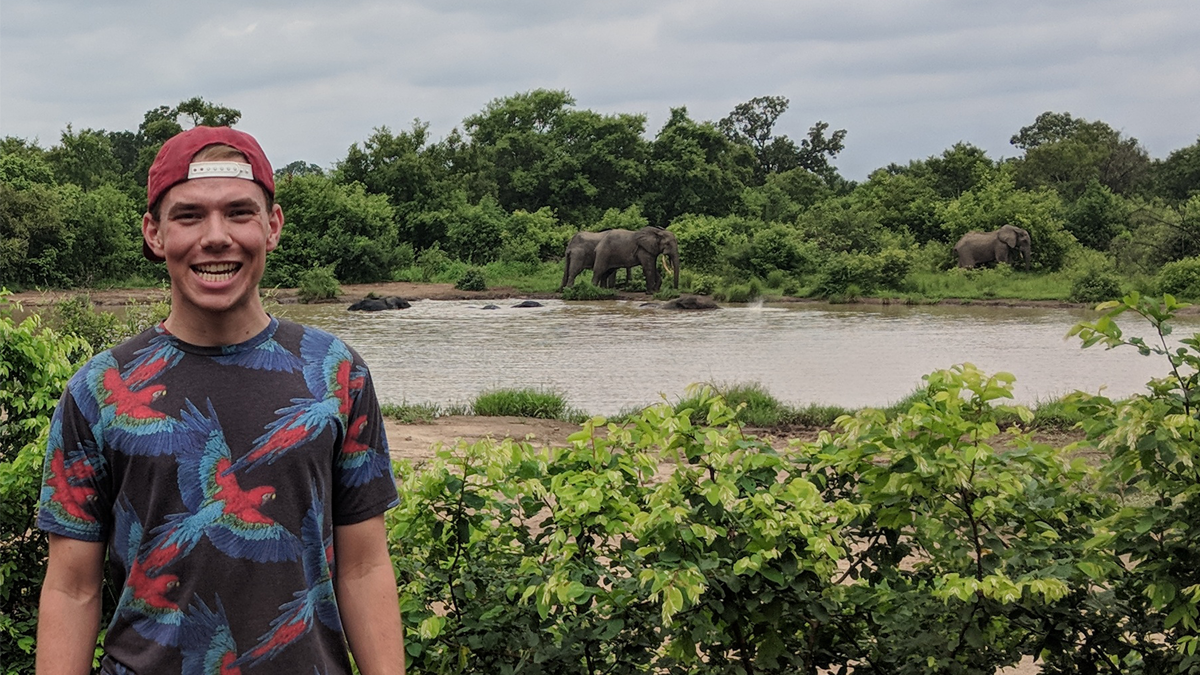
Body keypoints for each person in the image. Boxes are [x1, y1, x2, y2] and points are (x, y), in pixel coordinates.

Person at [35, 126, 406, 675]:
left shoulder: (337, 373)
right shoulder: (96, 389)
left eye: (239, 212)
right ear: (154, 234)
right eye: (188, 216)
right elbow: (71, 589)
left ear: (272, 226)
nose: (216, 237)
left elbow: (364, 567)